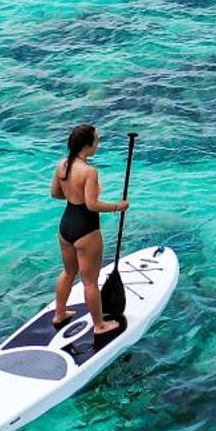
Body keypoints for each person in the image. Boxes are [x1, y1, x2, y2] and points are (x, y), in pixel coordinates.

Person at [50, 124, 128, 337]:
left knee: (68, 272)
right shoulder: (89, 171)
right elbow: (92, 205)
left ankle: (60, 314)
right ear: (88, 145)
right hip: (86, 228)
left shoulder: (62, 165)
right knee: (90, 282)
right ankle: (99, 325)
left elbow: (55, 194)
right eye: (96, 140)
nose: (98, 143)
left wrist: (72, 195)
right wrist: (117, 207)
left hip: (66, 225)